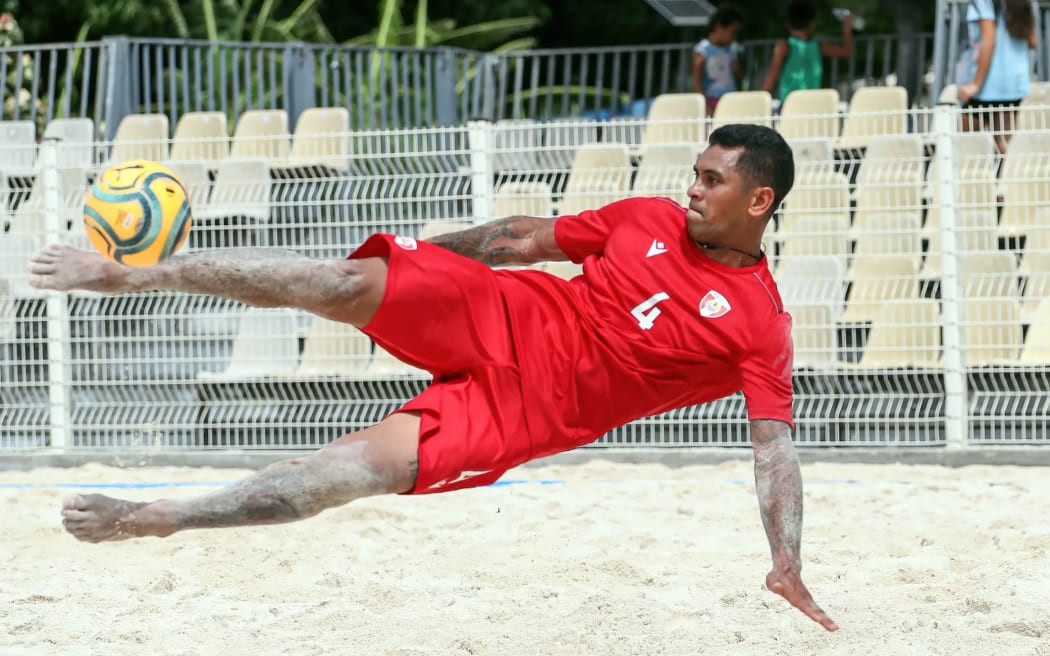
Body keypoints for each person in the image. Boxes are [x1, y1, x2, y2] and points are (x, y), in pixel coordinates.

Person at [30, 123, 837, 632]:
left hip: (529, 410)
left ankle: (157, 517)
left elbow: (774, 451)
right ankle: (128, 275)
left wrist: (786, 559)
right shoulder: (645, 219)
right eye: (695, 172)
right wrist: (413, 262)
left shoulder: (759, 324)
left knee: (344, 475)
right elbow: (517, 238)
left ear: (759, 199)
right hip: (505, 310)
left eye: (713, 181)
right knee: (341, 285)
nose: (692, 189)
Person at [957, 0, 1038, 153]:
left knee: (966, 145)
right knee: (1004, 145)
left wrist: (975, 84)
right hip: (1014, 82)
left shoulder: (983, 2)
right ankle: (1004, 175)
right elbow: (1033, 41)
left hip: (988, 84)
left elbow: (989, 41)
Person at [761, 0, 853, 102]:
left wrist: (760, 98)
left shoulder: (784, 46)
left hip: (789, 105)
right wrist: (846, 29)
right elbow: (846, 51)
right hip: (812, 104)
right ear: (812, 24)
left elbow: (771, 77)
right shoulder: (819, 46)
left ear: (788, 24)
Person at [691, 4, 745, 115]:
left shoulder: (731, 49)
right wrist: (705, 104)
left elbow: (737, 74)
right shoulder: (703, 50)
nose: (734, 37)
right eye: (732, 32)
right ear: (719, 26)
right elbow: (697, 80)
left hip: (731, 98)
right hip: (713, 100)